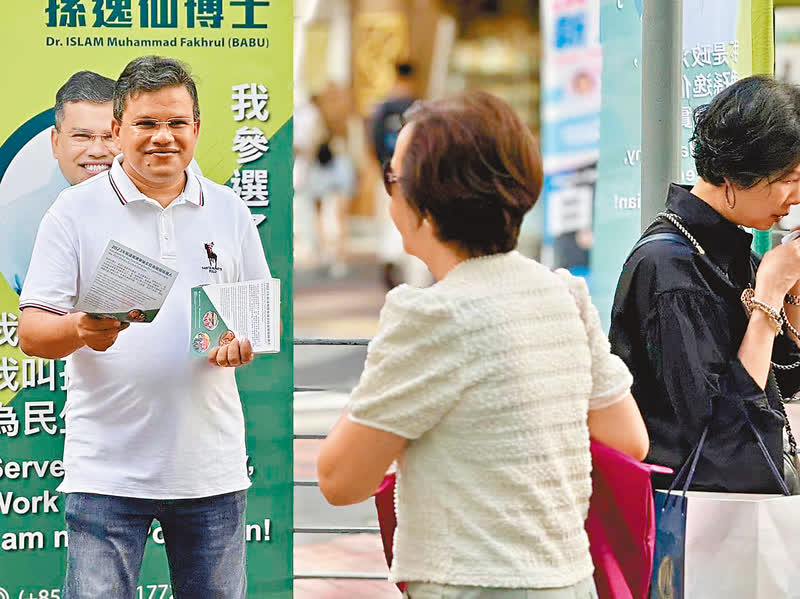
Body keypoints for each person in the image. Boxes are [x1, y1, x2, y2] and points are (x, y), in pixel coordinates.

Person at [317, 91, 649, 598]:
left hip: (471, 583)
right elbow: (628, 439)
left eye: (393, 179)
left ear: (426, 208)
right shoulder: (563, 295)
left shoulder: (432, 316)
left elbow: (340, 479)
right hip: (570, 579)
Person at [17, 55, 271, 598]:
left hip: (211, 471)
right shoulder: (73, 211)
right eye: (146, 123)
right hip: (106, 474)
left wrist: (239, 345)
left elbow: (252, 320)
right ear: (117, 130)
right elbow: (33, 332)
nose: (163, 137)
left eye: (177, 122)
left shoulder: (229, 210)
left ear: (196, 128)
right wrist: (81, 329)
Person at [609, 75, 800, 494]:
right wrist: (769, 295)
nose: (796, 196)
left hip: (732, 515)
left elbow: (782, 380)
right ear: (737, 171)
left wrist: (792, 291)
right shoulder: (670, 271)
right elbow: (726, 441)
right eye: (788, 178)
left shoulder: (729, 252)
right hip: (690, 521)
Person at [0, 71, 118, 294]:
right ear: (55, 143)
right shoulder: (10, 224)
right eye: (82, 136)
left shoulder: (162, 211)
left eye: (111, 136)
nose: (97, 151)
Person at [369, 62, 430, 289]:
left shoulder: (382, 109)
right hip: (415, 175)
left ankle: (390, 256)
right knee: (417, 222)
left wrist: (382, 167)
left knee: (390, 219)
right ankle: (416, 280)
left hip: (389, 173)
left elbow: (374, 141)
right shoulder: (419, 108)